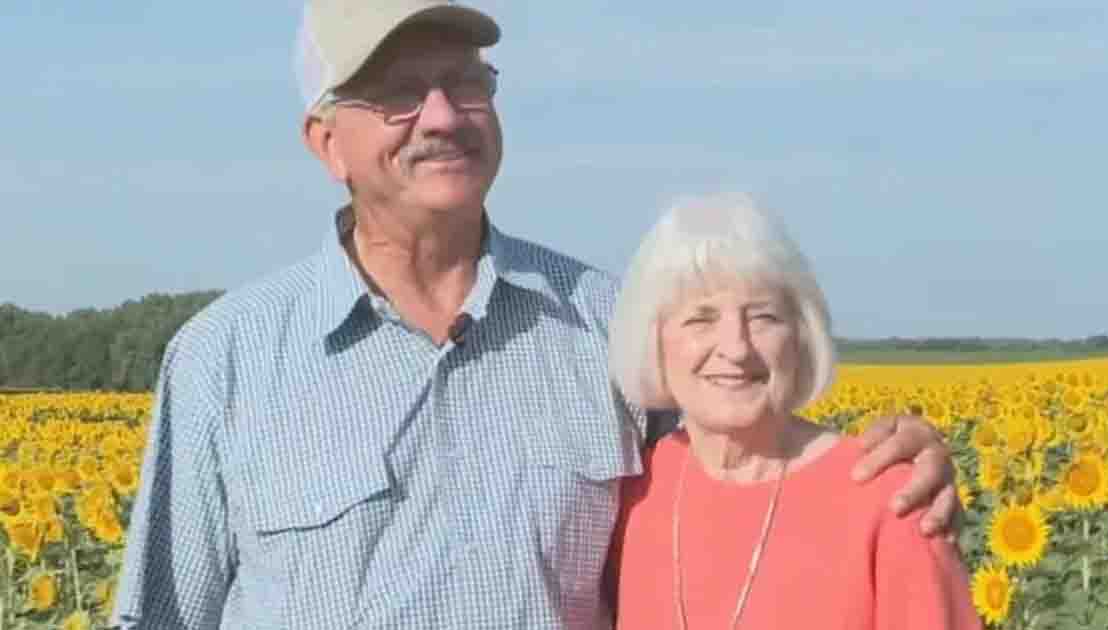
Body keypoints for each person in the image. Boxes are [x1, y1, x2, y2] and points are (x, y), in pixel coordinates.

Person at [111, 3, 962, 629]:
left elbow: (744, 475)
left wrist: (887, 466)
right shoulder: (226, 359)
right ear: (326, 141)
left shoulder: (612, 327)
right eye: (400, 94)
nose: (442, 116)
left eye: (465, 83)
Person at [606, 193, 980, 629]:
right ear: (655, 341)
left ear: (802, 336)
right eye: (700, 319)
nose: (736, 347)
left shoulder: (891, 498)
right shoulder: (637, 487)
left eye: (763, 317)